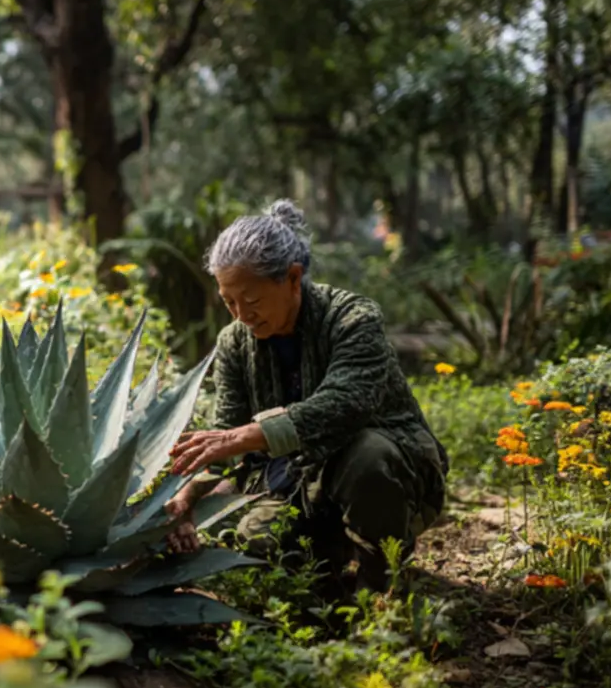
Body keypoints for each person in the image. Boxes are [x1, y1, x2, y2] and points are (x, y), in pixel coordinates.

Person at [164, 200, 448, 594]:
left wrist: (244, 436)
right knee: (255, 547)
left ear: (293, 279)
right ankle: (330, 556)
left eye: (252, 300)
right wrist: (186, 498)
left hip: (389, 479)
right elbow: (224, 440)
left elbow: (344, 403)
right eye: (229, 301)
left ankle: (380, 586)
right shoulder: (234, 343)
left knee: (367, 454)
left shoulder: (353, 319)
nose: (241, 314)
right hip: (295, 485)